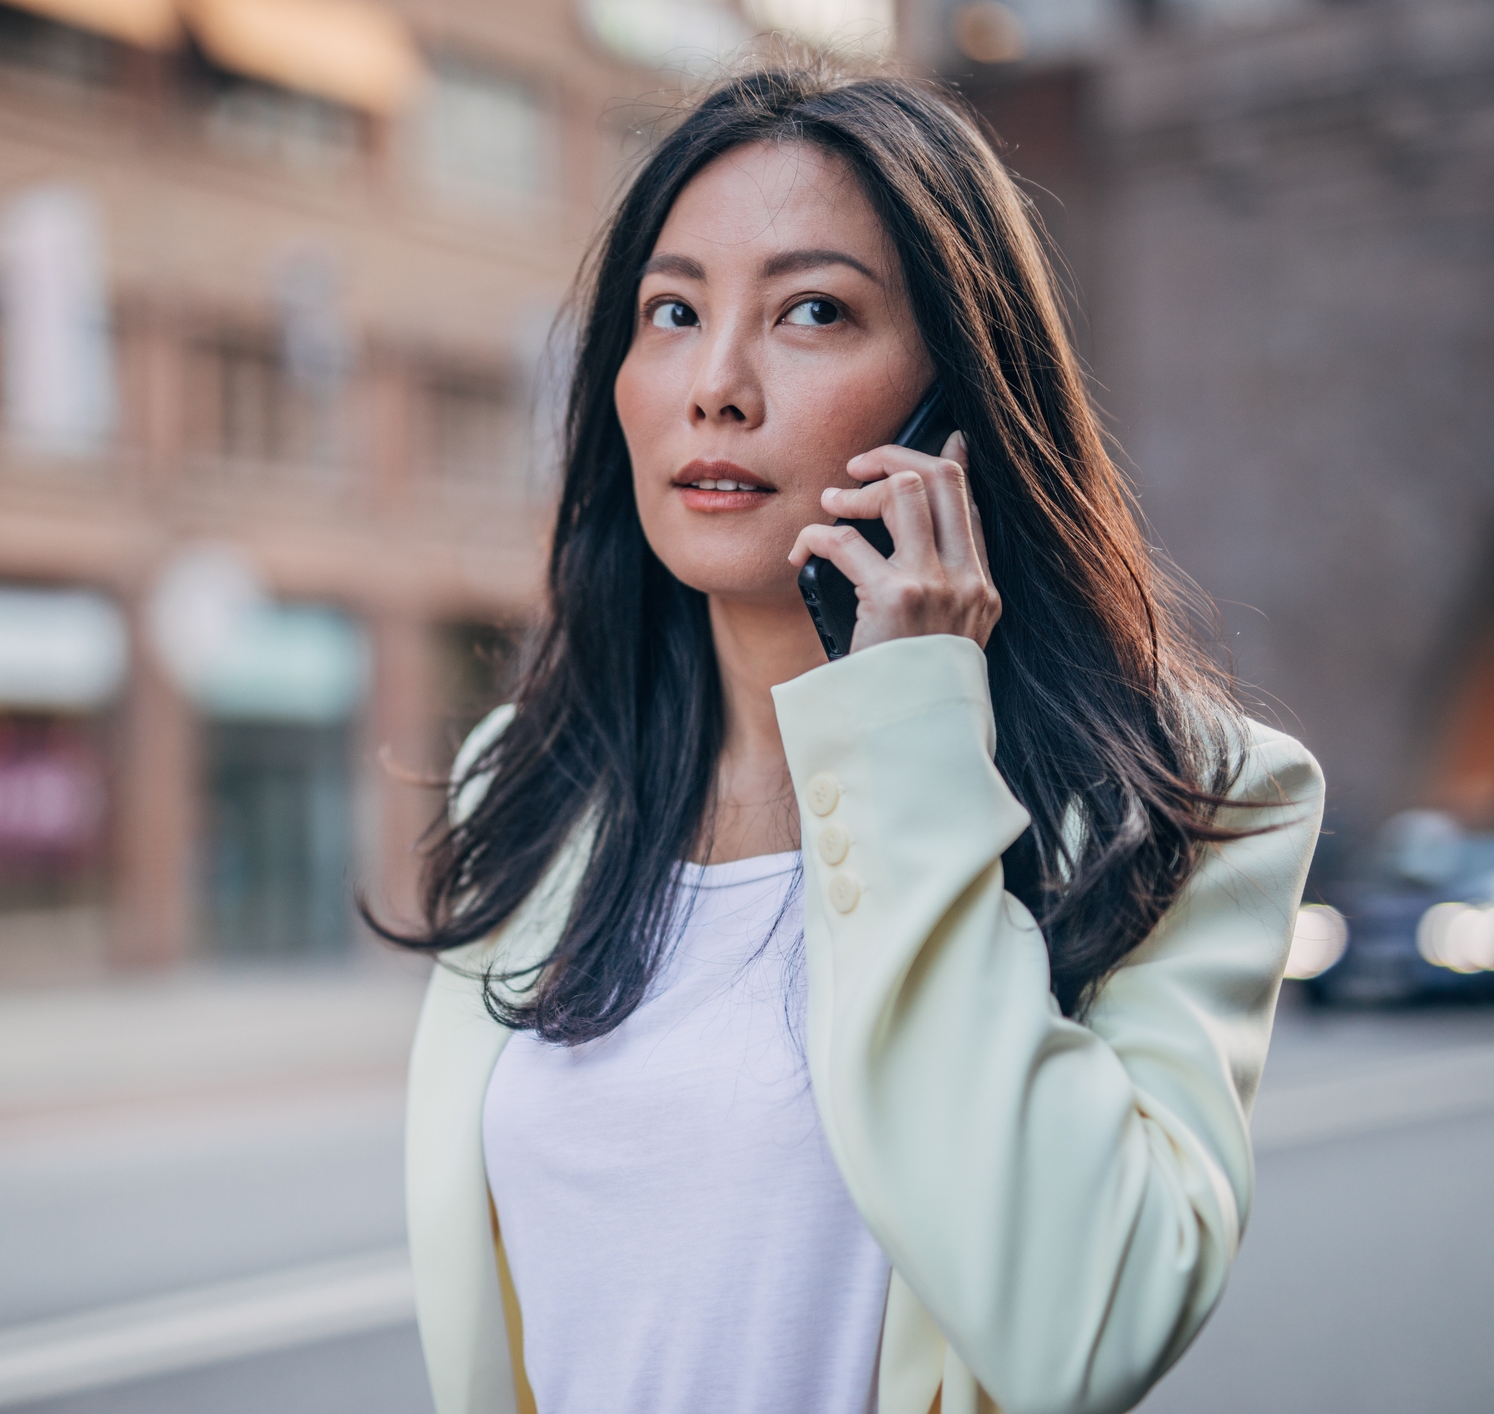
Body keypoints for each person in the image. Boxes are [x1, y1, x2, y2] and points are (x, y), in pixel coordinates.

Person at [380, 63, 1324, 1414]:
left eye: (811, 311)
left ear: (958, 390)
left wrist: (907, 732)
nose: (715, 383)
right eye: (671, 311)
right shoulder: (527, 786)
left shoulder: (1192, 801)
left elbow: (1086, 1321)